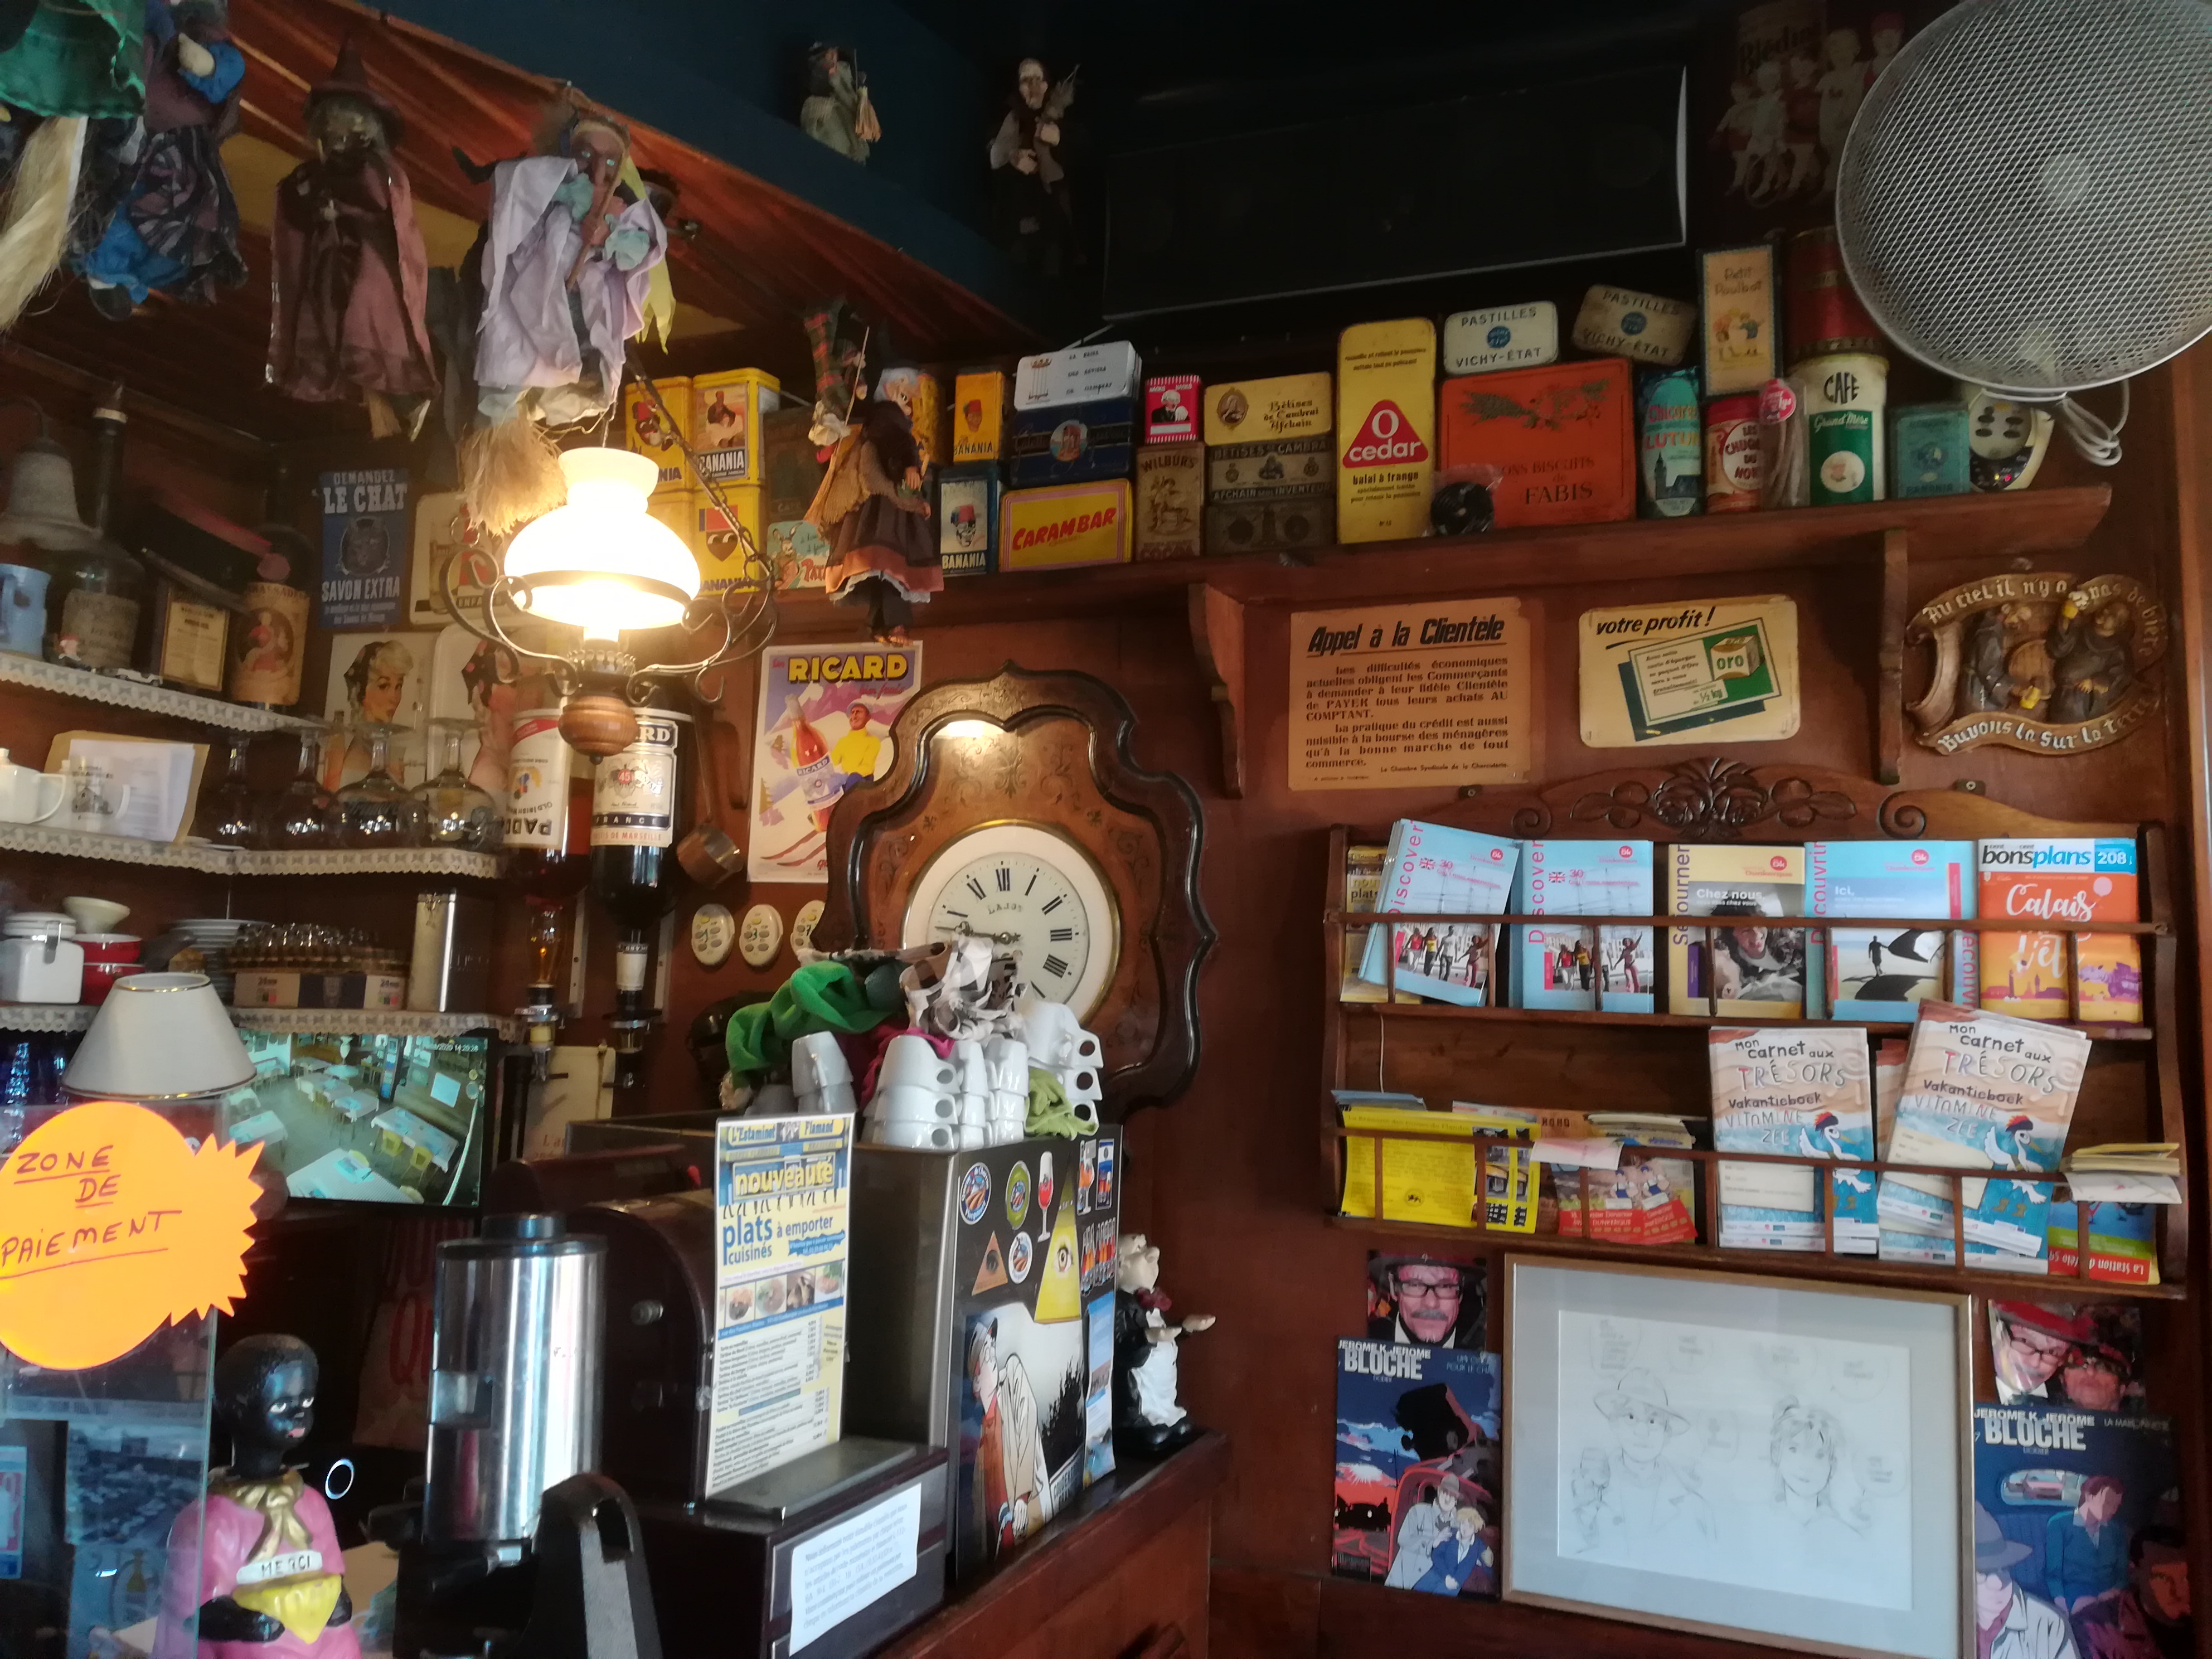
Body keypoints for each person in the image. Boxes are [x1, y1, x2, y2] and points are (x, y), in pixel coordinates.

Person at [1571, 1370, 1714, 1570]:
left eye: (1653, 1421)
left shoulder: (1696, 1507)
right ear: (1614, 1424)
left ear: (1667, 1433)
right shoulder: (1587, 1493)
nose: (1642, 1431)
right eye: (1630, 1417)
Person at [1975, 1502, 2079, 1659]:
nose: (1998, 1583)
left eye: (2003, 1569)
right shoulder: (1942, 1620)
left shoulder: (2048, 1625)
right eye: (1982, 1572)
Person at [2074, 1526, 2192, 1659]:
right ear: (2134, 1573)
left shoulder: (2202, 1621)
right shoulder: (2096, 1629)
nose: (2178, 1591)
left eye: (2185, 1578)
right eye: (2162, 1578)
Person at [2047, 1476, 2129, 1612]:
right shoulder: (2059, 1524)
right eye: (2107, 1503)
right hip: (2075, 1594)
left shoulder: (2115, 1529)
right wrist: (2061, 1605)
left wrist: (2115, 1591)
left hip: (2110, 1597)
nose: (2112, 1511)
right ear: (2089, 1496)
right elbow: (2053, 1573)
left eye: (2116, 1506)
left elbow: (2123, 1572)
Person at [1366, 1256, 1484, 1348]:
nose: (1431, 1303)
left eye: (1445, 1286)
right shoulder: (1364, 1337)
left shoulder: (1483, 1348)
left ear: (1461, 1292)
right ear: (1393, 1287)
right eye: (1415, 1285)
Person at [1992, 1303, 2085, 1403]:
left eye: (2052, 1352)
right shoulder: (1980, 1386)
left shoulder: (2066, 1403)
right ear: (1999, 1333)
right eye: (2025, 1341)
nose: (2035, 1363)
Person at [1384, 1472, 1462, 1589]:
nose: (1447, 1498)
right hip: (1402, 1583)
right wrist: (1433, 1543)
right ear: (1439, 1492)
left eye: (1452, 1495)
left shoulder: (1458, 1525)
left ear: (1456, 1500)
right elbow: (1403, 1539)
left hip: (1431, 1587)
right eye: (1445, 1492)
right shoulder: (1418, 1512)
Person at [1411, 1486, 1494, 1597]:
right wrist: (1446, 1576)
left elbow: (1488, 1568)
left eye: (1470, 1526)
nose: (1465, 1528)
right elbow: (1436, 1555)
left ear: (1476, 1529)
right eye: (1463, 1523)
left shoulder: (1479, 1545)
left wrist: (1489, 1563)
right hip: (1438, 1573)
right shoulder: (1450, 1533)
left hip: (1455, 1583)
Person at [831, 700, 883, 790]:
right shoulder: (843, 741)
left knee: (854, 778)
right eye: (852, 713)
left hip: (863, 782)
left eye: (858, 712)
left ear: (868, 718)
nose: (854, 716)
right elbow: (833, 762)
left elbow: (867, 768)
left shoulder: (873, 741)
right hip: (846, 783)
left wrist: (846, 777)